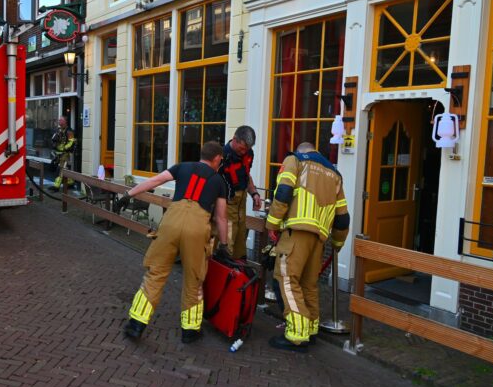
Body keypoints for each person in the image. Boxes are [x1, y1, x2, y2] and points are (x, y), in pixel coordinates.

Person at [116, 141, 229, 343]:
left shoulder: (182, 167)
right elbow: (221, 218)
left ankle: (136, 324)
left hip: (170, 224)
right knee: (194, 280)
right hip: (196, 230)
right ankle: (190, 331)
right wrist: (225, 244)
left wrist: (128, 194)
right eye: (220, 160)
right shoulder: (219, 182)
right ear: (216, 159)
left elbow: (155, 181)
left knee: (155, 273)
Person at [265, 142, 349, 352]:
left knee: (286, 279)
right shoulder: (335, 174)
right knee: (309, 285)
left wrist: (272, 224)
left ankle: (297, 334)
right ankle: (311, 329)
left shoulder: (295, 160)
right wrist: (337, 243)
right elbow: (342, 217)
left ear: (300, 150)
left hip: (296, 232)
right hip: (319, 239)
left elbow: (283, 192)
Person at [219, 125, 262, 259]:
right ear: (234, 139)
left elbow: (246, 176)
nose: (244, 152)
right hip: (226, 204)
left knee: (240, 242)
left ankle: (238, 268)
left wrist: (254, 193)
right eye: (242, 148)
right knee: (227, 243)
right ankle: (223, 268)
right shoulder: (221, 157)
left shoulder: (248, 154)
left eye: (247, 149)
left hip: (241, 205)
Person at [50, 116, 75, 191]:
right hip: (58, 153)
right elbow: (54, 139)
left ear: (65, 121)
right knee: (64, 168)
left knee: (60, 169)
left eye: (61, 120)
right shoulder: (58, 130)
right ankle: (70, 182)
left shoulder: (69, 131)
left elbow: (71, 141)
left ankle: (56, 186)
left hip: (64, 153)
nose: (59, 121)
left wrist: (65, 148)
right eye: (59, 120)